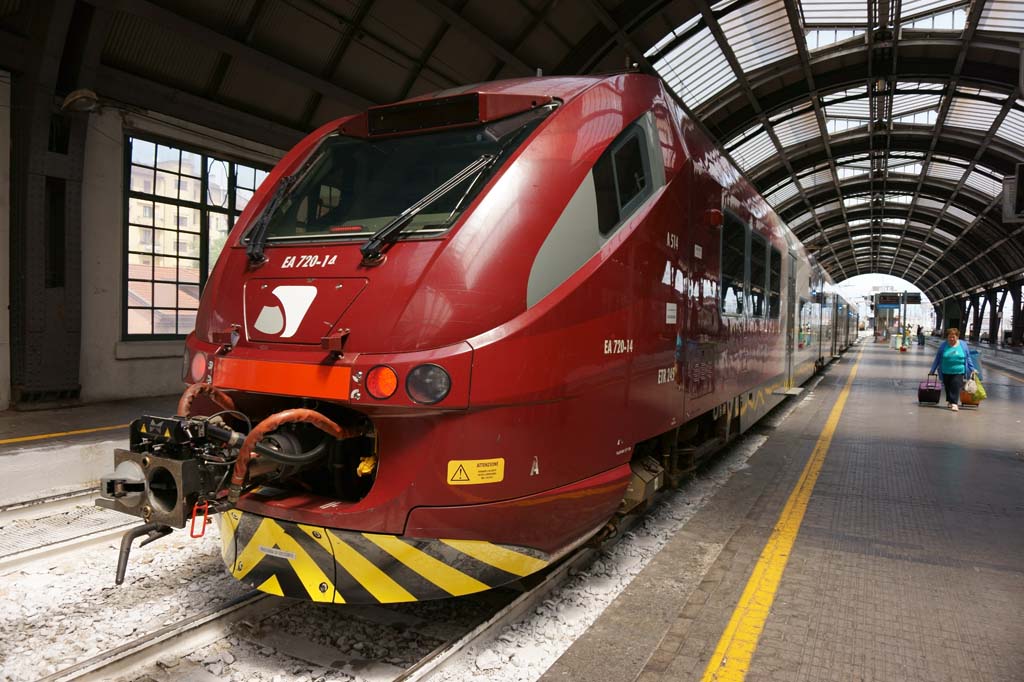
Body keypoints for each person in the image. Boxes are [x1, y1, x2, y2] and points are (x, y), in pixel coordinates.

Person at [928, 327, 977, 411]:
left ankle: (954, 403)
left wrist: (972, 368)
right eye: (949, 337)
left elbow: (968, 357)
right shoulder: (943, 345)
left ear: (957, 337)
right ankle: (950, 401)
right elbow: (938, 358)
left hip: (959, 370)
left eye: (953, 337)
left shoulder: (963, 345)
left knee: (955, 385)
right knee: (948, 387)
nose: (951, 339)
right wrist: (932, 370)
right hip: (945, 370)